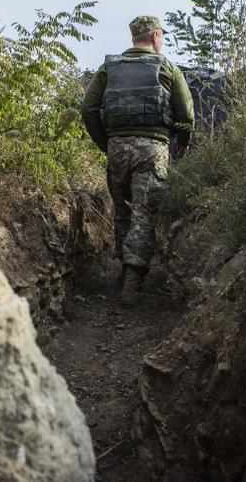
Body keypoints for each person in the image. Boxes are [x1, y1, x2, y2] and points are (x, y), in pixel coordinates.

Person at [81, 15, 194, 305]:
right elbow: (186, 115)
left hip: (117, 148)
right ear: (156, 36)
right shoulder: (166, 66)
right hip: (153, 149)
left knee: (122, 211)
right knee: (144, 212)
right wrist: (182, 145)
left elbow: (88, 108)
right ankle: (133, 277)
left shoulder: (109, 67)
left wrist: (105, 143)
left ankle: (122, 268)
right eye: (162, 36)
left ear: (134, 37)